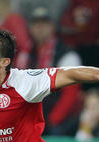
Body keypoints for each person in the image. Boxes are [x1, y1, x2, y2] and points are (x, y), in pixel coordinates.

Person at [28, 7, 82, 135]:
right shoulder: (28, 53)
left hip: (58, 120)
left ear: (52, 27)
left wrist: (52, 121)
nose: (39, 28)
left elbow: (71, 94)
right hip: (34, 118)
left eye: (44, 24)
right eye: (36, 24)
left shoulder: (66, 54)